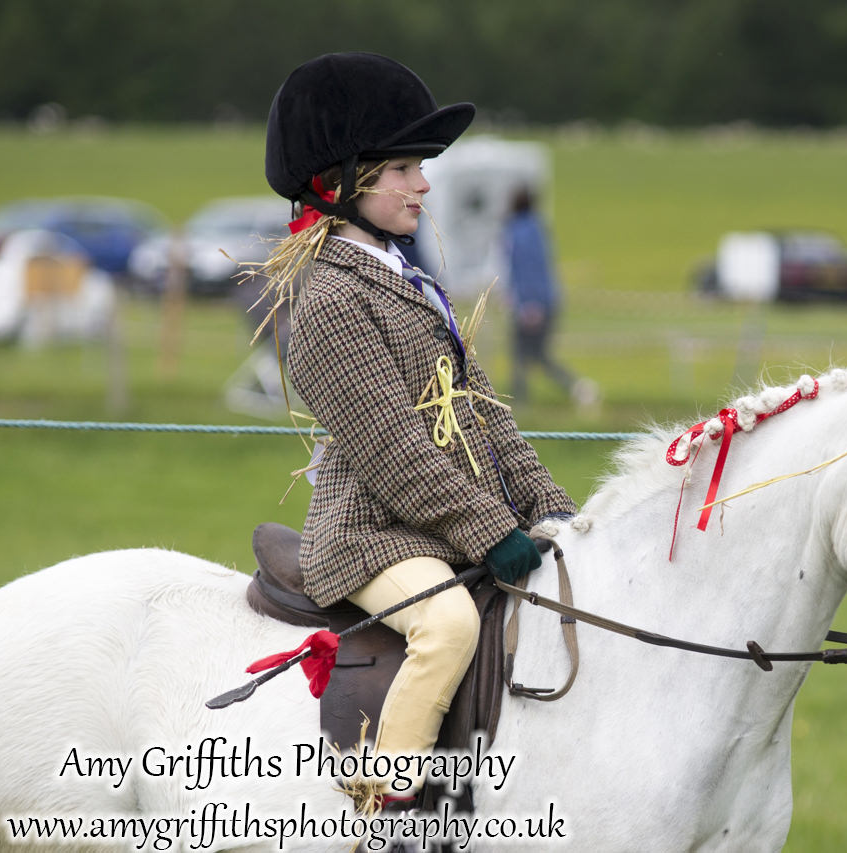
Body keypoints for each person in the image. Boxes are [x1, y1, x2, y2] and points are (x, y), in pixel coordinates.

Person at [261, 52, 576, 810]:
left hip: (434, 525)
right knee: (448, 622)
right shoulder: (332, 301)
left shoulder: (409, 280)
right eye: (405, 167)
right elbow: (393, 452)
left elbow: (487, 416)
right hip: (373, 535)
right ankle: (384, 804)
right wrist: (493, 528)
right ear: (342, 181)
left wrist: (554, 507)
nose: (425, 184)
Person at [502, 186, 596, 406]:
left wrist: (529, 304)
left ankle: (519, 404)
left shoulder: (519, 231)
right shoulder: (537, 228)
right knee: (534, 356)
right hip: (545, 301)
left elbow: (527, 269)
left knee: (524, 355)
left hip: (531, 305)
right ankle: (576, 389)